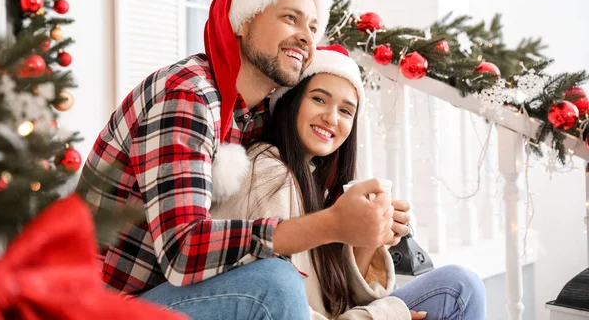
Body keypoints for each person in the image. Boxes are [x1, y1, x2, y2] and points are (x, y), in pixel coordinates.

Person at [77, 0, 410, 320]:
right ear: (244, 21)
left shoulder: (254, 114)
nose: (306, 36)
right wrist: (331, 224)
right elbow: (183, 250)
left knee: (454, 288)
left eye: (314, 27)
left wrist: (367, 229)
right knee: (275, 282)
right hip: (105, 306)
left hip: (180, 297)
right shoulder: (188, 94)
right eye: (290, 18)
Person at [209, 44, 487, 320]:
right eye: (319, 99)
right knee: (459, 290)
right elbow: (281, 308)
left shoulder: (314, 180)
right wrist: (389, 315)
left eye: (345, 111)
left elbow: (339, 300)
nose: (331, 118)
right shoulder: (269, 174)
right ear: (291, 101)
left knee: (461, 285)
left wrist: (369, 240)